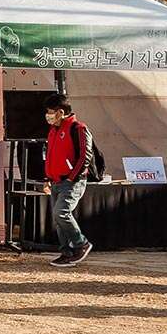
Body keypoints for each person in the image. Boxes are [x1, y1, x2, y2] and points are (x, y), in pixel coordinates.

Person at [41, 92, 97, 268]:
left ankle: (81, 244)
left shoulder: (78, 128)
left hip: (71, 181)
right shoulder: (53, 131)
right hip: (56, 181)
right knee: (58, 218)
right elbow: (49, 157)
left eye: (51, 111)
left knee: (61, 212)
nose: (48, 115)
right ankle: (66, 252)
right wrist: (47, 178)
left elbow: (84, 156)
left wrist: (72, 177)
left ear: (61, 112)